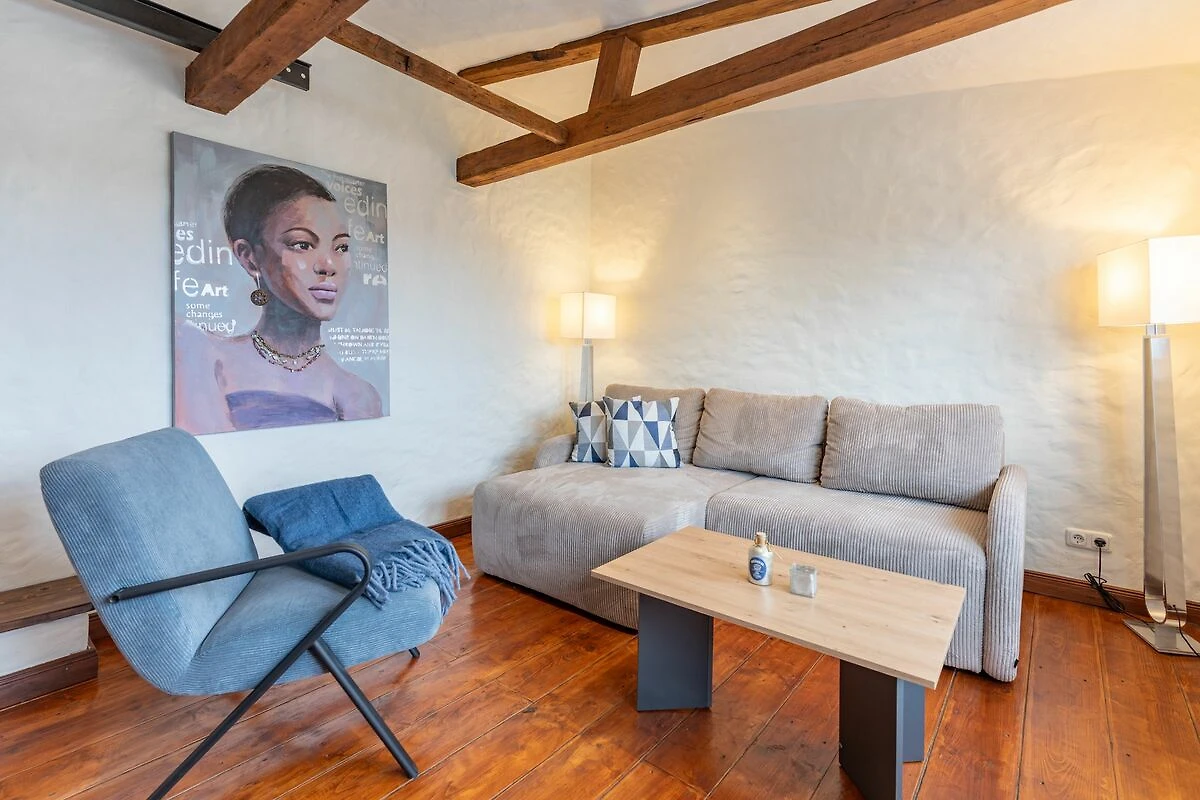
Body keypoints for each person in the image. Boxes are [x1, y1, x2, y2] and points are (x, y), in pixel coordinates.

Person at [175, 165, 382, 433]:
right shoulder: (201, 353)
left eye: (341, 247)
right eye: (302, 245)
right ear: (249, 257)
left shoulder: (359, 394)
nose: (329, 265)